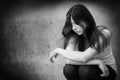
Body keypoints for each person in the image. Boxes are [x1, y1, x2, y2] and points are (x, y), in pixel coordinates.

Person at [49, 4, 117, 80]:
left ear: (86, 19)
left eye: (76, 23)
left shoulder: (104, 33)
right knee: (68, 69)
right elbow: (69, 60)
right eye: (71, 24)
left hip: (106, 70)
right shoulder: (74, 35)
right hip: (91, 66)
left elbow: (84, 57)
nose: (74, 28)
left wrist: (58, 50)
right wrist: (97, 61)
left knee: (85, 70)